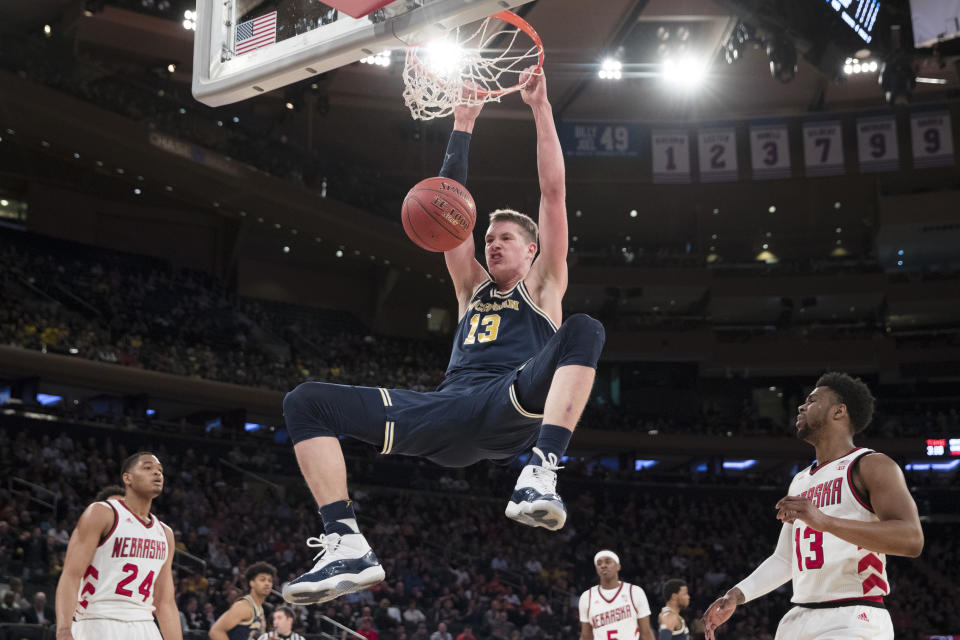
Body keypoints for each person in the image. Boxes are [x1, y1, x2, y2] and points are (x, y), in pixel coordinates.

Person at [281, 65, 605, 606]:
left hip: (512, 400)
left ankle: (543, 470)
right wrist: (463, 122)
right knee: (305, 402)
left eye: (505, 238)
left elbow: (552, 192)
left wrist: (540, 109)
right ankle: (345, 540)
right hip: (447, 410)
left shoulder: (545, 284)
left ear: (532, 251)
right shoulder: (469, 285)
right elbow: (447, 205)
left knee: (584, 330)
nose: (493, 244)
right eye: (489, 238)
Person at [702, 372, 924, 640]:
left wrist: (826, 522)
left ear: (839, 411)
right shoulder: (800, 480)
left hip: (854, 616)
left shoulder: (870, 465)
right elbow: (785, 559)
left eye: (812, 400)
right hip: (798, 618)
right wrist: (737, 594)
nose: (801, 406)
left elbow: (912, 540)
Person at [54, 452, 181, 640]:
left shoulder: (165, 533)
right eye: (148, 468)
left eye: (160, 470)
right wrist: (64, 630)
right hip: (98, 620)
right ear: (127, 478)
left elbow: (165, 601)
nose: (157, 473)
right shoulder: (101, 513)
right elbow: (71, 576)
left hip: (144, 625)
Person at [578, 550, 654, 640]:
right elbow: (586, 636)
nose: (603, 565)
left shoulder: (635, 592)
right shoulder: (587, 597)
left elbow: (646, 633)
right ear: (596, 569)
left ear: (618, 566)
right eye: (599, 563)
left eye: (608, 562)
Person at [209, 561, 275, 640]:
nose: (267, 584)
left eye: (270, 580)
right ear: (252, 583)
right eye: (262, 580)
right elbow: (215, 631)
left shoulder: (259, 610)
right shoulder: (243, 607)